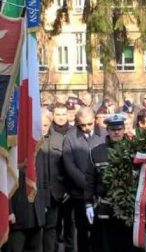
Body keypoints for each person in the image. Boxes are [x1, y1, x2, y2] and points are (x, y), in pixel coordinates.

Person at [85, 113, 136, 252]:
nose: (116, 132)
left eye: (119, 129)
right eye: (113, 129)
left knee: (127, 246)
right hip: (105, 209)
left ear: (124, 129)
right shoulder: (96, 152)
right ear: (107, 130)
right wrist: (88, 203)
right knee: (106, 246)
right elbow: (90, 180)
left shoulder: (134, 150)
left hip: (128, 209)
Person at [3, 111, 50, 252]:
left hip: (37, 213)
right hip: (18, 215)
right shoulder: (10, 148)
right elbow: (5, 182)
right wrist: (8, 211)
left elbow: (44, 178)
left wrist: (44, 205)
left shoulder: (39, 147)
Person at [62, 107, 105, 252]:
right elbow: (69, 165)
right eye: (82, 125)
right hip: (80, 194)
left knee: (99, 233)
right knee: (82, 232)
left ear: (94, 120)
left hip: (101, 194)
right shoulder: (70, 137)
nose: (86, 128)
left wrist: (97, 186)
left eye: (89, 124)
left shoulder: (104, 135)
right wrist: (87, 185)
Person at [44, 103, 75, 252]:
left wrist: (69, 188)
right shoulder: (46, 133)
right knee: (53, 225)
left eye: (64, 114)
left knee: (70, 223)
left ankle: (70, 248)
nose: (61, 118)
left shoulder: (74, 132)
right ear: (52, 116)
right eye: (58, 115)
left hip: (69, 189)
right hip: (52, 189)